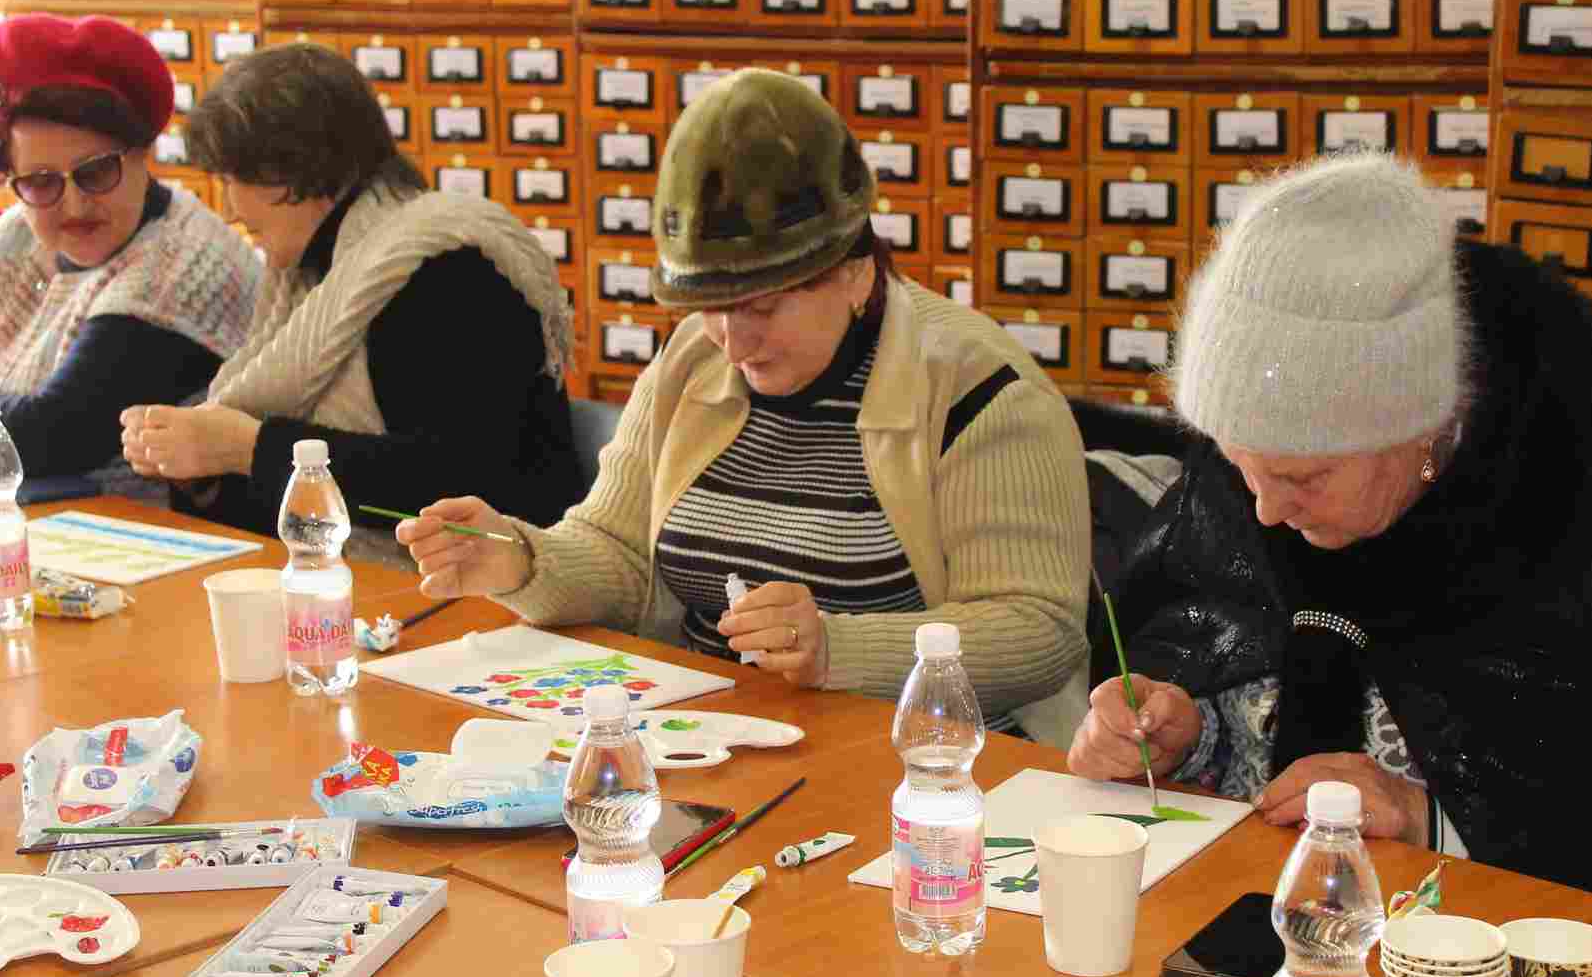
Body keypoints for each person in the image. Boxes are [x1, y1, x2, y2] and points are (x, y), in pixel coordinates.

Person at [1067, 152, 1592, 914]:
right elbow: (1201, 640)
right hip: (1239, 910)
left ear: (1421, 430)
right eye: (1237, 465)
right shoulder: (1256, 477)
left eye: (1302, 477)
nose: (1264, 511)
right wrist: (1176, 730)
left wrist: (1437, 821)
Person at [396, 69, 1091, 731]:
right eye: (711, 308)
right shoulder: (691, 360)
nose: (733, 344)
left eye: (762, 307)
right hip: (718, 733)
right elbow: (620, 551)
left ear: (854, 273)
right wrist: (522, 558)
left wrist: (837, 649)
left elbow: (1039, 629)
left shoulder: (980, 391)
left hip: (921, 755)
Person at [119, 43, 579, 551]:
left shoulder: (442, 271)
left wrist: (250, 449)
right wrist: (203, 471)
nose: (229, 208)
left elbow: (460, 484)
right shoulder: (316, 274)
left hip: (492, 579)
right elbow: (291, 514)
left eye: (235, 179)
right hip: (364, 577)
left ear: (302, 168)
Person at [0, 15, 261, 492]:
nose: (75, 206)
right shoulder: (10, 239)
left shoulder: (183, 267)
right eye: (41, 182)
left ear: (145, 154)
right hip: (16, 516)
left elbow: (38, 441)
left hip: (138, 530)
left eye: (97, 172)